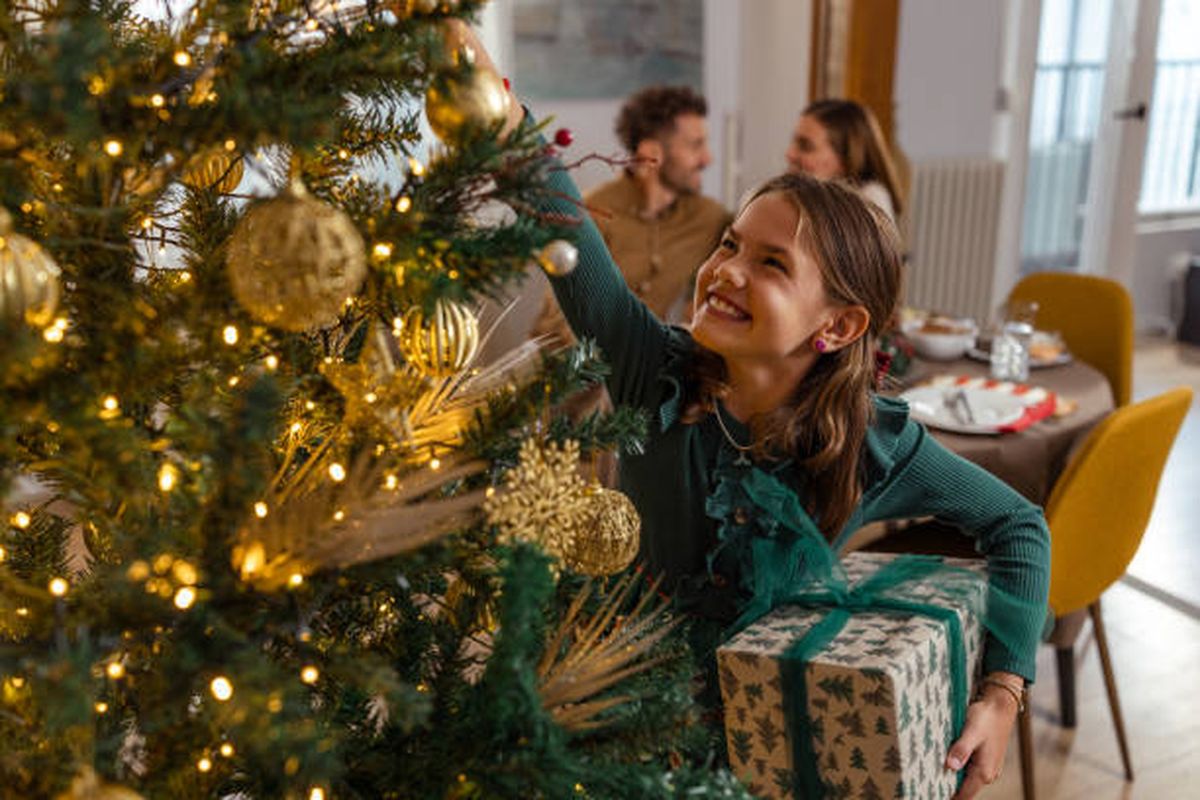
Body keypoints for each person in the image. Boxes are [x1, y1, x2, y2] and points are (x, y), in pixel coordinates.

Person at [456, 21, 1048, 800]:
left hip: (777, 741)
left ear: (836, 327)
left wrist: (1002, 693)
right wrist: (486, 95)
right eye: (730, 244)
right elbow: (563, 217)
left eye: (770, 264)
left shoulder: (871, 443)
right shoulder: (651, 370)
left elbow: (1018, 526)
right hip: (621, 717)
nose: (725, 271)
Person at [532, 84, 730, 345]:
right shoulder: (592, 213)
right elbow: (563, 317)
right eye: (695, 146)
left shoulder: (708, 218)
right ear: (652, 154)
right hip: (564, 366)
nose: (707, 159)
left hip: (635, 372)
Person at [786, 98, 904, 222]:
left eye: (806, 146)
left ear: (846, 159)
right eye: (793, 142)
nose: (789, 154)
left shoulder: (871, 200)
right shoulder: (810, 200)